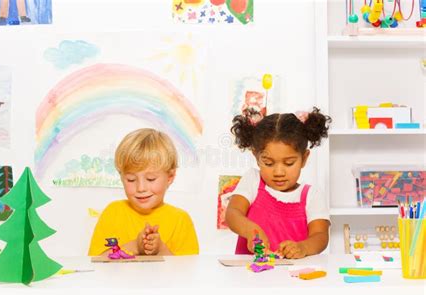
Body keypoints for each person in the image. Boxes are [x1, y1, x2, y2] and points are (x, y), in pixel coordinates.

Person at [225, 107, 332, 259]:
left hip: (293, 278)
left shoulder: (312, 196)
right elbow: (232, 213)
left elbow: (320, 236)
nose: (279, 172)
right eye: (268, 163)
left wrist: (303, 247)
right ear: (256, 156)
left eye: (289, 163)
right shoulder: (253, 181)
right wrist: (250, 230)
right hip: (248, 277)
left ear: (305, 158)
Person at [88, 128, 199, 256]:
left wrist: (160, 250)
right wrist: (135, 246)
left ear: (170, 177)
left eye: (150, 179)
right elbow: (95, 263)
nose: (141, 188)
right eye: (131, 179)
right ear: (121, 177)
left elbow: (188, 270)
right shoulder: (113, 212)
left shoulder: (180, 220)